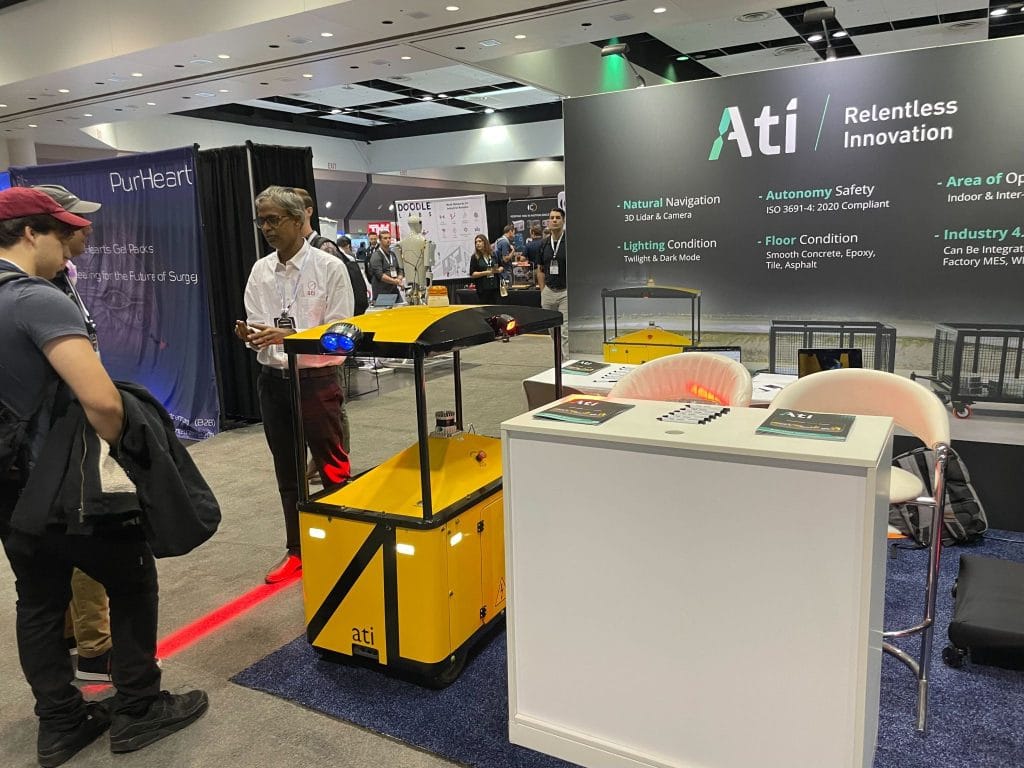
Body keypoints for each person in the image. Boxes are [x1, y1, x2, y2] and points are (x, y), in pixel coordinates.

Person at [0, 187, 208, 767]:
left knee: (37, 601)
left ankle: (60, 722)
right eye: (61, 230)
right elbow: (101, 400)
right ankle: (139, 707)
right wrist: (129, 453)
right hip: (67, 486)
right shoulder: (37, 299)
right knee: (132, 579)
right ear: (31, 233)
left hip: (11, 491)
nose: (73, 240)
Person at [237, 186, 354, 584]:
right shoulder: (260, 270)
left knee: (333, 468)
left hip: (316, 380)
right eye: (262, 221)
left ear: (297, 219)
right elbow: (257, 322)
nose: (267, 228)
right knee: (288, 473)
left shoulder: (329, 267)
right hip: (273, 382)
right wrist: (253, 335)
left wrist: (290, 337)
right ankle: (297, 549)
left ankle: (344, 543)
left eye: (274, 220)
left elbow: (341, 334)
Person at [34, 184, 114, 683]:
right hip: (62, 440)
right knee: (87, 538)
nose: (85, 228)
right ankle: (96, 650)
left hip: (63, 437)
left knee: (65, 539)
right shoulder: (36, 295)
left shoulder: (62, 280)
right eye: (73, 221)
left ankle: (75, 638)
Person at [537, 207, 568, 360]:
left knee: (565, 331)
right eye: (552, 217)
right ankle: (559, 361)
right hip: (549, 291)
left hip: (565, 292)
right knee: (552, 330)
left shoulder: (569, 242)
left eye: (558, 218)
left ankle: (566, 364)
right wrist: (543, 290)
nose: (554, 220)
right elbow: (540, 269)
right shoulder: (544, 244)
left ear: (563, 221)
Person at [367, 229, 403, 301]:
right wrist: (395, 281)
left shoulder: (392, 254)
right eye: (385, 238)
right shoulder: (376, 256)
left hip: (394, 290)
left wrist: (399, 279)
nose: (388, 240)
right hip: (382, 292)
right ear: (380, 240)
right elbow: (380, 275)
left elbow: (399, 270)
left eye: (389, 238)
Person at [468, 234, 502, 305]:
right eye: (476, 242)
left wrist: (498, 270)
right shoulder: (474, 257)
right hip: (483, 290)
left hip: (495, 288)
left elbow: (501, 266)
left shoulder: (494, 254)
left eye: (480, 241)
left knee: (496, 308)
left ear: (485, 242)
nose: (477, 244)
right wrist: (486, 272)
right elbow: (472, 274)